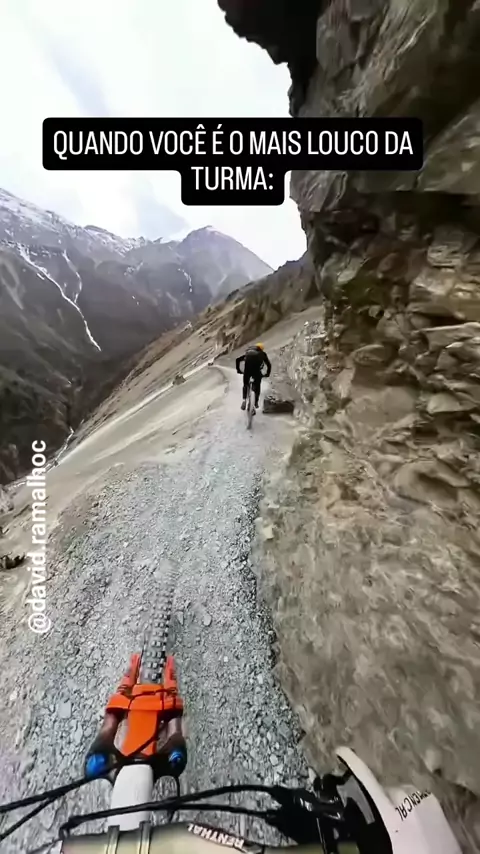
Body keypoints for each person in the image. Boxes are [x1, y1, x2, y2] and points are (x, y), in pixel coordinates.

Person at [236, 343, 271, 412]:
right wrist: (267, 374)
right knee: (257, 387)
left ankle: (244, 400)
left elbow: (238, 360)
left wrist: (239, 370)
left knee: (245, 385)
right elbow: (269, 365)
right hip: (256, 372)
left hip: (247, 371)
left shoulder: (248, 353)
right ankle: (255, 403)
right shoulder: (262, 354)